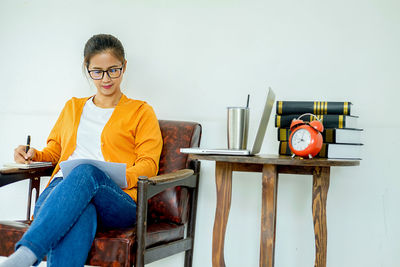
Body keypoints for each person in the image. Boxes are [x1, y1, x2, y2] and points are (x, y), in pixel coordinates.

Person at [0, 34, 163, 267]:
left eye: (113, 70)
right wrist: (34, 154)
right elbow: (55, 151)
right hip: (61, 192)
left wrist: (113, 176)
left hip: (117, 198)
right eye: (97, 71)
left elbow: (149, 164)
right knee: (82, 210)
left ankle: (26, 255)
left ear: (124, 67)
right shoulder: (73, 107)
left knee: (86, 171)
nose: (105, 78)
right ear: (87, 69)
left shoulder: (141, 111)